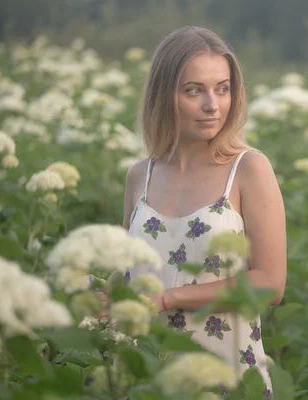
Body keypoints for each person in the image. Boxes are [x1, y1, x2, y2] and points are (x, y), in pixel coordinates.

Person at [122, 26, 286, 397]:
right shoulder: (139, 177)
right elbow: (129, 274)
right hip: (147, 375)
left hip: (226, 378)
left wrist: (169, 298)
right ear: (164, 95)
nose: (213, 105)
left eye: (223, 88)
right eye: (193, 91)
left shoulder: (248, 169)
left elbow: (271, 284)